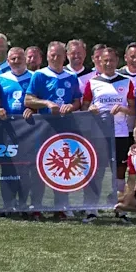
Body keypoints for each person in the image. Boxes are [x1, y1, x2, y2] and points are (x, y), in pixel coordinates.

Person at [25, 41, 82, 220]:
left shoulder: (71, 77)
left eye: (59, 55)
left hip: (65, 129)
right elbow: (28, 100)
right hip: (44, 128)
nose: (56, 58)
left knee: (62, 168)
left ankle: (60, 207)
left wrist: (70, 107)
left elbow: (78, 101)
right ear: (47, 56)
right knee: (39, 168)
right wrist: (47, 103)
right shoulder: (39, 75)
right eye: (52, 55)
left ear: (65, 56)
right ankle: (36, 207)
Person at [82, 46, 136, 219]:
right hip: (98, 133)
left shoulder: (126, 81)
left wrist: (123, 109)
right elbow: (85, 106)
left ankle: (118, 208)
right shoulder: (93, 82)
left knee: (120, 171)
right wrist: (90, 108)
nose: (108, 63)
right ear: (99, 61)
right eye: (105, 60)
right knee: (97, 170)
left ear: (117, 61)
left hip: (120, 133)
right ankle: (91, 209)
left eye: (112, 60)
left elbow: (133, 109)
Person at [0, 46, 35, 214]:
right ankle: (8, 204)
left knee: (25, 168)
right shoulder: (1, 78)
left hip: (29, 128)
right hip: (7, 128)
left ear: (25, 59)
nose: (16, 61)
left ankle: (23, 204)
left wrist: (33, 109)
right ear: (8, 61)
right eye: (12, 59)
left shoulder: (34, 77)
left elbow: (39, 99)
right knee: (7, 167)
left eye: (19, 58)